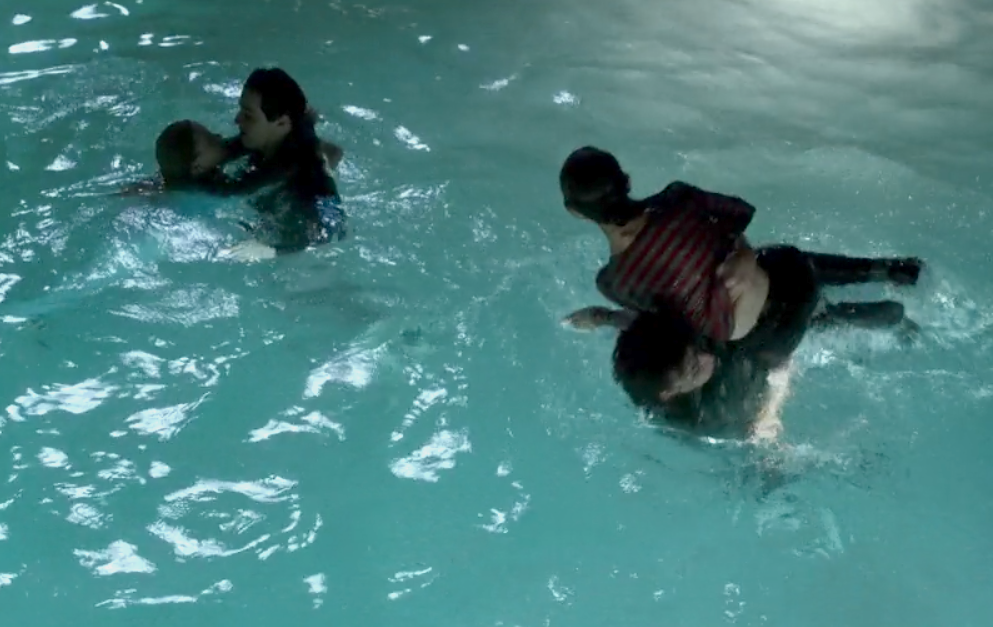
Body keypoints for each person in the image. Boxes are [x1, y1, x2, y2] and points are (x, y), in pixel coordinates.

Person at [560, 145, 923, 394]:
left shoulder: (615, 283)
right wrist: (739, 253)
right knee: (778, 259)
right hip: (791, 276)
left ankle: (890, 316)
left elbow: (666, 332)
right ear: (626, 179)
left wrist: (604, 317)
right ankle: (890, 270)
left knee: (811, 322)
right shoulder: (677, 198)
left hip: (770, 337)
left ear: (574, 212)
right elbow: (739, 213)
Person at [604, 243, 918, 443]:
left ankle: (883, 271)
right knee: (813, 317)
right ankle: (890, 316)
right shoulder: (713, 411)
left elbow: (653, 321)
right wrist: (771, 413)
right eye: (695, 368)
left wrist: (605, 316)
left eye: (694, 351)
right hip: (766, 352)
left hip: (758, 321)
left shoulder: (668, 345)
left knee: (777, 271)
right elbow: (776, 374)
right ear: (672, 391)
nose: (705, 356)